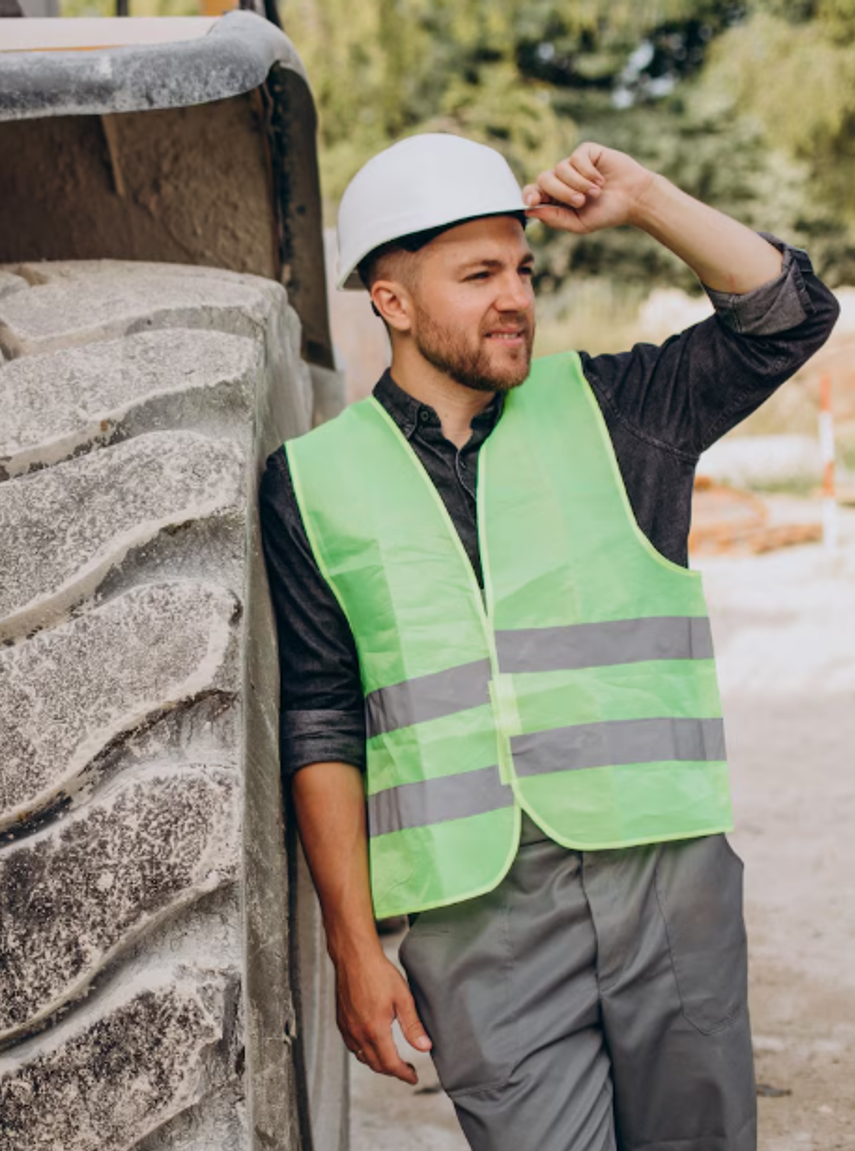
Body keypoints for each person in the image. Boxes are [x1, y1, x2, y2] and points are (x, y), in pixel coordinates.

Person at [262, 134, 839, 1151]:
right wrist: (354, 948)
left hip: (665, 879)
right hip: (479, 918)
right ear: (392, 300)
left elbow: (789, 316)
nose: (515, 298)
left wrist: (646, 196)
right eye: (478, 275)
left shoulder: (619, 411)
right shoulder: (311, 482)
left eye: (522, 271)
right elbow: (322, 723)